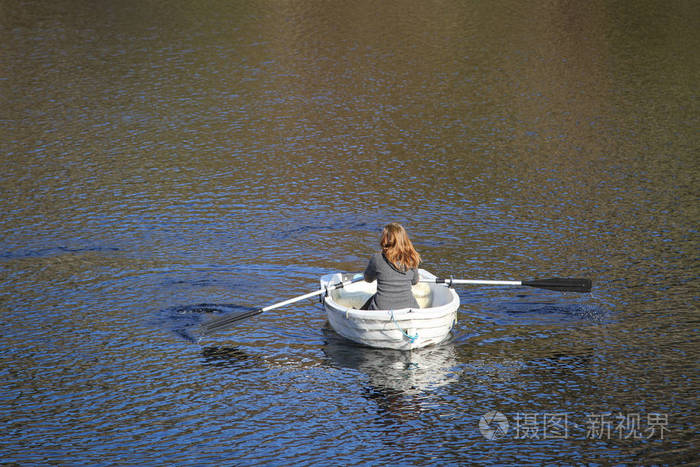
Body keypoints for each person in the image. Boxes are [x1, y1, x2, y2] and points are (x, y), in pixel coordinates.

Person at [361, 223, 422, 310]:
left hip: (382, 308)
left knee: (372, 300)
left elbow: (368, 279)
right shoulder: (411, 258)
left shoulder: (377, 258)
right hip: (409, 308)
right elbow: (415, 281)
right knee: (373, 298)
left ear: (385, 239)